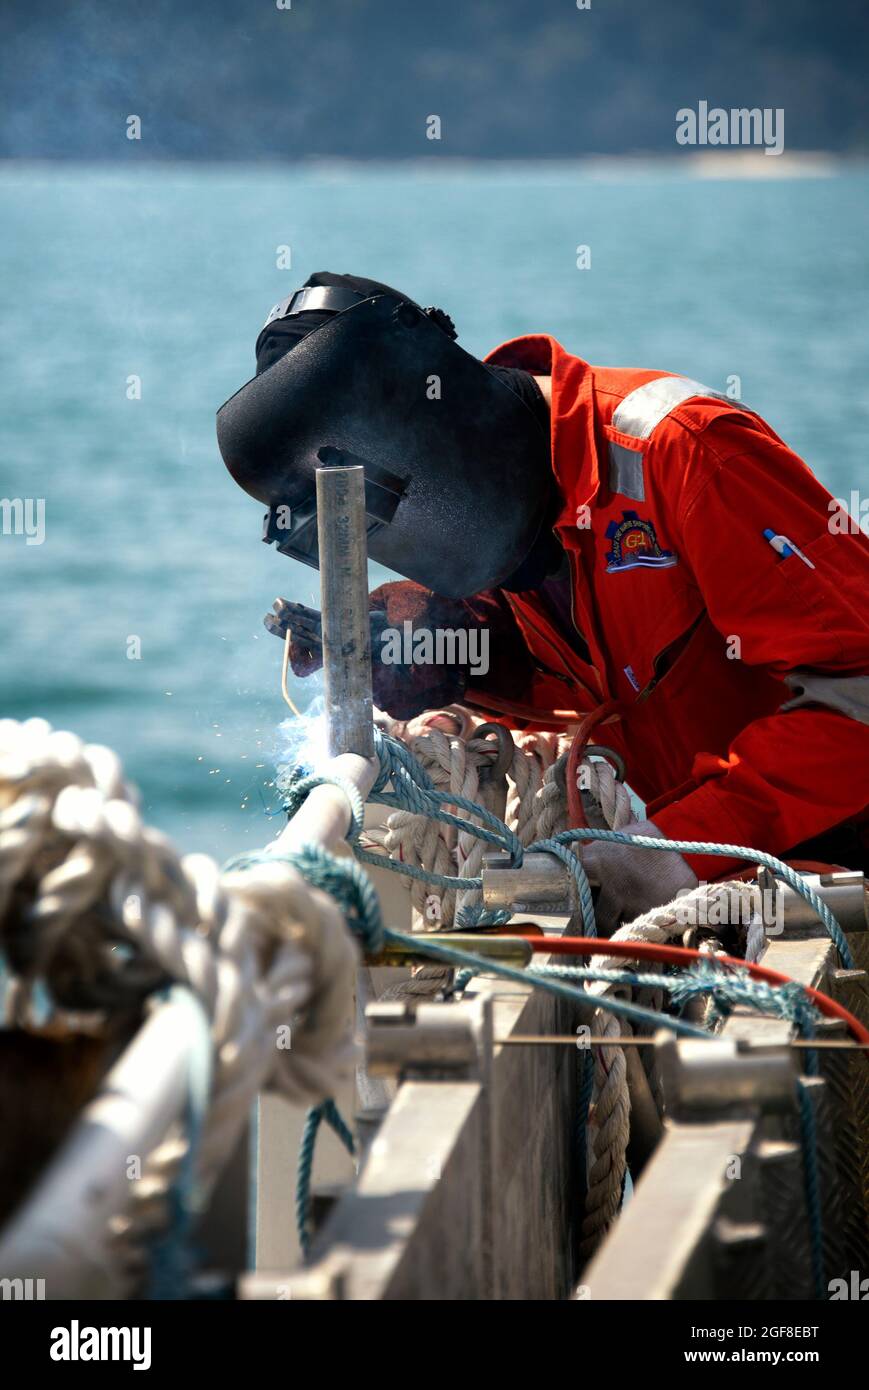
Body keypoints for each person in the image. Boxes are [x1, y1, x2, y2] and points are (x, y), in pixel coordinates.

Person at [217, 272, 869, 932]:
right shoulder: (487, 482)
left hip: (834, 862)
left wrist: (672, 851)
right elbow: (578, 658)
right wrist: (445, 651)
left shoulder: (680, 450)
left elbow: (860, 692)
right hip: (714, 877)